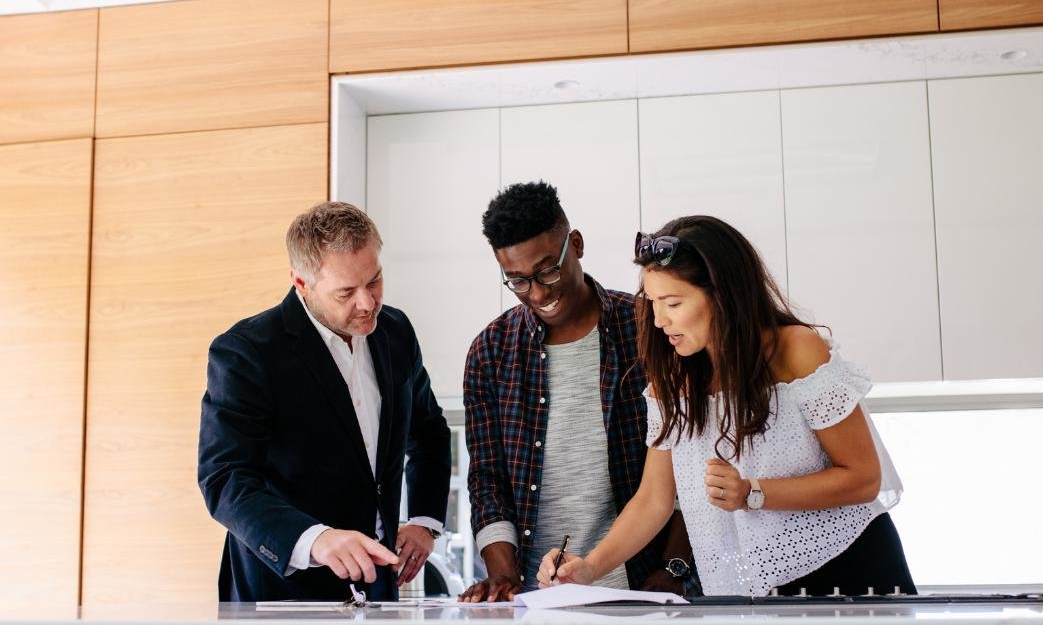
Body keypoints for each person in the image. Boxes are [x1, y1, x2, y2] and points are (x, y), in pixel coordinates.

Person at [538, 215, 916, 597]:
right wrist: (589, 567)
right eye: (652, 303)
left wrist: (752, 492)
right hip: (759, 588)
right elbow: (654, 498)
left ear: (722, 295)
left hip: (849, 565)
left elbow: (864, 478)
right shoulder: (674, 379)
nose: (658, 320)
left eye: (673, 303)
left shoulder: (797, 351)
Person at [198, 202, 451, 602]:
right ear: (301, 282)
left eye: (375, 280)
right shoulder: (246, 352)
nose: (368, 303)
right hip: (277, 590)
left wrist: (423, 522)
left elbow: (429, 431)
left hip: (379, 586)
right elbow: (225, 478)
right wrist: (316, 539)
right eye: (346, 292)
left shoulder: (397, 331)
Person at [459, 182, 693, 602]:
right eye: (518, 281)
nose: (539, 292)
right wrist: (504, 576)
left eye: (548, 270)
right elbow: (488, 480)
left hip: (646, 585)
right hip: (538, 595)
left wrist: (672, 568)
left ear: (576, 245)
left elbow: (687, 465)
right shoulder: (490, 352)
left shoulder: (649, 328)